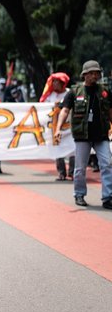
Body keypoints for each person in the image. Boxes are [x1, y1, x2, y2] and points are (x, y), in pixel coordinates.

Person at [54, 60, 112, 208]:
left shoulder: (105, 91)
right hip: (82, 136)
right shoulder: (74, 92)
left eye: (97, 73)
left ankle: (108, 197)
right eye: (92, 73)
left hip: (101, 135)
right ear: (84, 75)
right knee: (80, 168)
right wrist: (58, 128)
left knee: (107, 165)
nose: (95, 76)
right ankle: (79, 194)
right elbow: (65, 111)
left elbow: (110, 111)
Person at [39, 72, 74, 181]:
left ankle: (72, 172)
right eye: (53, 81)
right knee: (58, 149)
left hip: (69, 127)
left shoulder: (70, 93)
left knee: (73, 149)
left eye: (56, 82)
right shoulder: (50, 96)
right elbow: (43, 108)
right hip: (55, 127)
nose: (54, 84)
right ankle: (61, 173)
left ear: (62, 83)